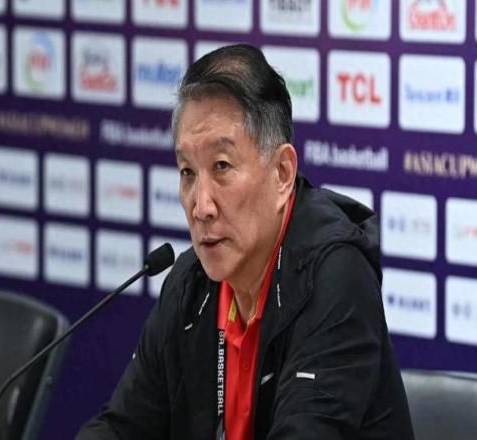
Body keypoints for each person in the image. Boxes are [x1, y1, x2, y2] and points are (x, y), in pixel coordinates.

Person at [77, 44, 414, 439]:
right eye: (187, 172)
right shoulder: (190, 283)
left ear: (282, 174)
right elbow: (120, 427)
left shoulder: (335, 276)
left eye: (221, 166)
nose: (201, 206)